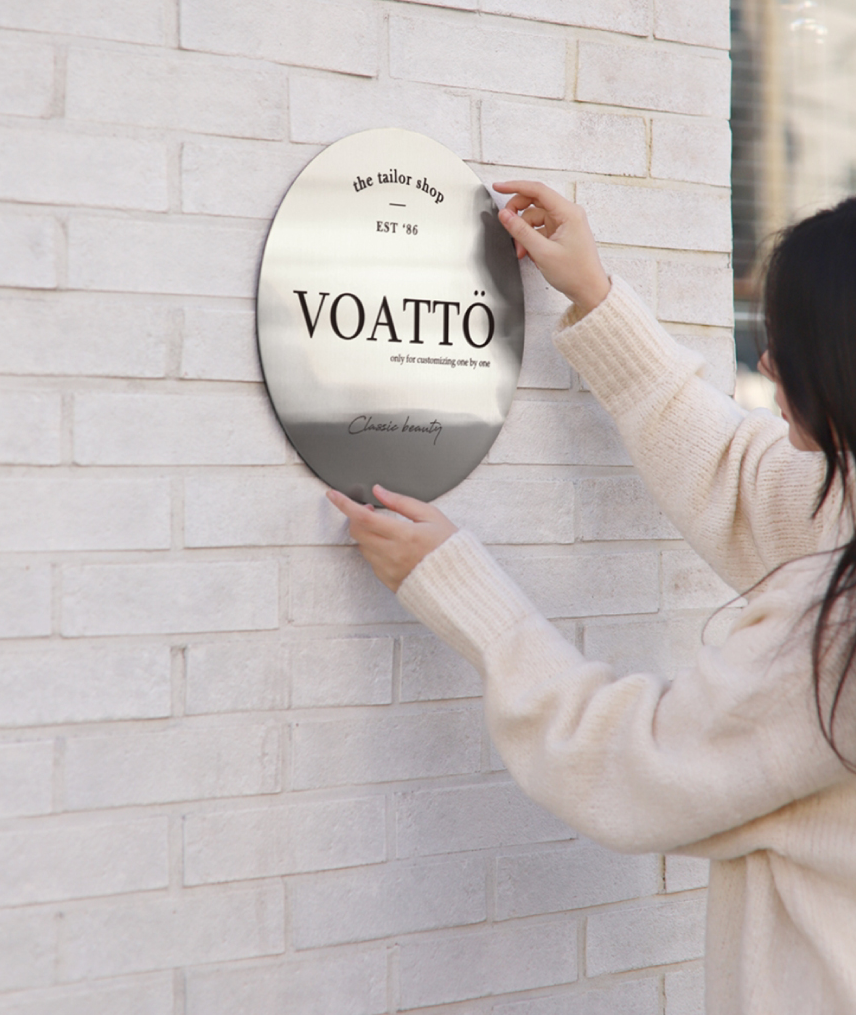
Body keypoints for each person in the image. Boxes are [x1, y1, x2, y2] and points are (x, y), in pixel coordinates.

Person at [326, 181, 856, 1015]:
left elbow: (636, 767)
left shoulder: (837, 631)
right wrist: (594, 296)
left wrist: (461, 588)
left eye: (784, 343)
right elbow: (741, 480)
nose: (765, 363)